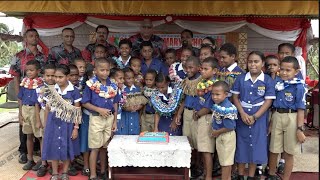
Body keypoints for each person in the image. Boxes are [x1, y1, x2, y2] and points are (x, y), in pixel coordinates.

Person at [231, 51, 276, 180]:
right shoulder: (240, 78)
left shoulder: (267, 80)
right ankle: (240, 175)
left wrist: (255, 116)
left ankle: (251, 176)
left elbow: (268, 101)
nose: (253, 64)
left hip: (259, 118)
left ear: (262, 63)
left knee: (256, 146)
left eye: (256, 61)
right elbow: (235, 97)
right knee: (242, 144)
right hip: (242, 116)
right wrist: (242, 113)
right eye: (250, 61)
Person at [9, 28, 46, 164]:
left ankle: (39, 154)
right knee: (24, 124)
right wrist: (20, 98)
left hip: (39, 95)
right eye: (31, 36)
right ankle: (23, 152)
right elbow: (16, 78)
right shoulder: (19, 56)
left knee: (39, 124)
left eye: (36, 36)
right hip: (25, 94)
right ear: (25, 38)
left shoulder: (43, 57)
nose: (34, 38)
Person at [267, 56, 306, 180]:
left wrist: (300, 129)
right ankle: (271, 175)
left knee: (289, 152)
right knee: (273, 149)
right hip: (277, 115)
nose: (284, 72)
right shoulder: (277, 84)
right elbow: (272, 106)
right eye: (282, 69)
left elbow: (301, 109)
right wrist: (271, 123)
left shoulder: (299, 87)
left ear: (296, 71)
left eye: (288, 70)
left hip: (292, 117)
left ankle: (285, 178)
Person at [81, 58, 119, 180]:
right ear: (95, 70)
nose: (105, 73)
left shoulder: (113, 84)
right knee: (95, 147)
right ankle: (93, 175)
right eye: (102, 70)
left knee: (105, 146)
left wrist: (114, 121)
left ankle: (103, 171)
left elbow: (115, 103)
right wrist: (99, 110)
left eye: (107, 70)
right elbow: (85, 103)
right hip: (96, 119)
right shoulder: (90, 85)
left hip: (109, 119)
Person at [42, 64, 82, 180]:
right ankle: (55, 173)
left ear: (68, 77)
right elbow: (47, 110)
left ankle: (65, 172)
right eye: (56, 77)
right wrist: (46, 125)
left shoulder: (74, 91)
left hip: (68, 124)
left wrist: (76, 128)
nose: (57, 79)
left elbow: (77, 110)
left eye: (60, 77)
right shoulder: (51, 90)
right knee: (54, 147)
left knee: (67, 147)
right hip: (53, 123)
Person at [277, 43, 303, 173]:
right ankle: (270, 170)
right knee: (274, 146)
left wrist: (300, 128)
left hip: (291, 114)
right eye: (281, 53)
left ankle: (282, 163)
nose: (283, 55)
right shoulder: (276, 74)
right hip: (276, 114)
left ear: (292, 54)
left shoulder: (298, 81)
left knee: (289, 148)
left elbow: (301, 105)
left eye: (286, 53)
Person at [175, 56, 202, 178]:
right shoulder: (185, 81)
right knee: (187, 139)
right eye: (186, 68)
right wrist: (179, 113)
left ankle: (198, 165)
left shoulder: (202, 81)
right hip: (186, 112)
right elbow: (184, 99)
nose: (188, 70)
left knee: (198, 141)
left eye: (191, 67)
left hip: (197, 114)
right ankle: (188, 164)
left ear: (198, 68)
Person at [193, 57, 220, 180]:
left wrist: (198, 114)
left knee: (207, 149)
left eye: (205, 69)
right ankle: (205, 174)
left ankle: (208, 176)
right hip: (201, 117)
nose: (202, 71)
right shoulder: (202, 83)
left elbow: (209, 106)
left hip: (206, 117)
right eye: (201, 69)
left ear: (214, 71)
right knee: (203, 149)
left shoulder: (213, 86)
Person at [18, 60, 43, 171]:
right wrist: (20, 114)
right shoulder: (24, 83)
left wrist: (38, 118)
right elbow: (20, 99)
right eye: (27, 70)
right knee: (28, 135)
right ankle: (30, 159)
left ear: (38, 71)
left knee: (39, 136)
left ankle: (43, 161)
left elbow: (40, 102)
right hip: (25, 109)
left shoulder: (41, 84)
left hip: (35, 110)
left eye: (32, 70)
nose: (29, 72)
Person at [210, 81, 237, 180]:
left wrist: (217, 132)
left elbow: (230, 126)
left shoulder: (227, 108)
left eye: (217, 94)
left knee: (226, 162)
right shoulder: (219, 104)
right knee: (224, 160)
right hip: (221, 135)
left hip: (226, 136)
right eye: (213, 94)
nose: (214, 97)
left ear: (226, 94)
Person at [35, 64, 56, 177]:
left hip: (57, 115)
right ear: (43, 76)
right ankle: (44, 163)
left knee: (55, 139)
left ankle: (54, 164)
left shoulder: (59, 87)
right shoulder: (39, 88)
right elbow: (37, 105)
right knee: (44, 139)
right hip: (44, 114)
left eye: (53, 75)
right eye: (48, 75)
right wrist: (38, 120)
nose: (50, 78)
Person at [121, 67, 147, 135]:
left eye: (132, 78)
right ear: (123, 78)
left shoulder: (137, 89)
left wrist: (139, 106)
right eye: (128, 78)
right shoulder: (121, 89)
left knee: (135, 133)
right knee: (125, 133)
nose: (131, 80)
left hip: (135, 115)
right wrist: (126, 108)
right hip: (124, 116)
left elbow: (143, 101)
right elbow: (118, 104)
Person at [109, 68, 126, 135]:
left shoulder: (120, 90)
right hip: (111, 119)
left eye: (123, 78)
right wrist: (114, 121)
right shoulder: (109, 92)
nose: (123, 81)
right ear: (112, 79)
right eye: (120, 78)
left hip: (119, 118)